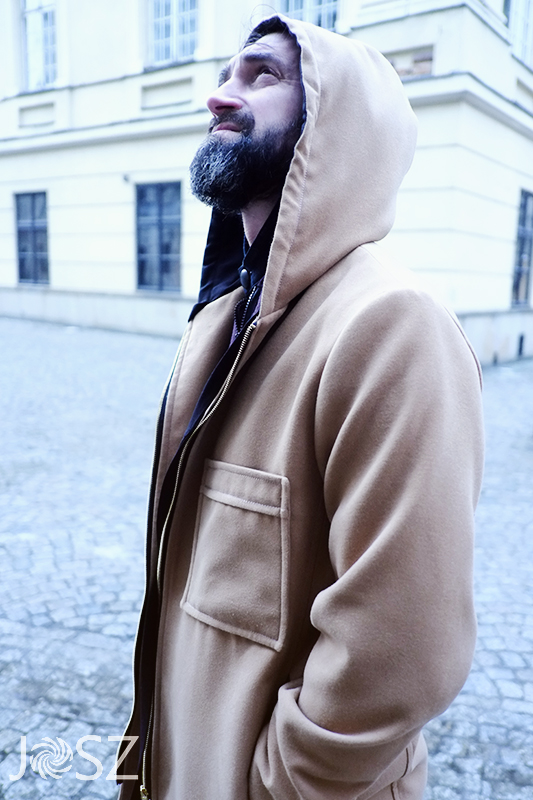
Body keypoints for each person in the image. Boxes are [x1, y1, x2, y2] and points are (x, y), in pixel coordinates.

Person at [118, 14, 484, 800]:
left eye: (263, 75)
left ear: (337, 123)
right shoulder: (222, 323)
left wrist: (278, 783)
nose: (221, 95)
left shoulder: (391, 325)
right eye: (226, 74)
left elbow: (400, 650)